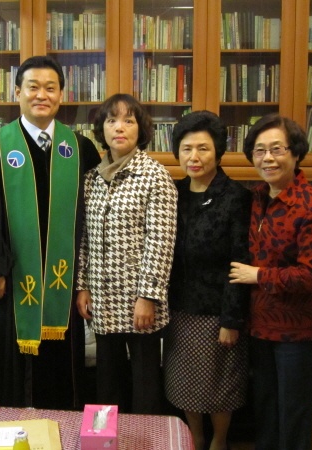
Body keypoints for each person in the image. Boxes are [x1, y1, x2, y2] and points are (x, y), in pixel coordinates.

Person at [0, 55, 101, 410]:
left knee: (62, 369)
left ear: (61, 95)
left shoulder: (79, 148)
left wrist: (85, 278)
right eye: (33, 87)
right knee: (10, 369)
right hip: (10, 282)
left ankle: (62, 428)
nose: (42, 95)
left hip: (63, 283)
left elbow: (93, 217)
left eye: (50, 88)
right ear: (17, 92)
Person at [229, 113, 312, 450]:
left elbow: (311, 275)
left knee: (294, 412)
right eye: (259, 151)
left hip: (297, 331)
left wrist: (258, 275)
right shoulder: (258, 197)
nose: (268, 158)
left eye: (277, 149)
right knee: (265, 407)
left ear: (296, 153)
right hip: (260, 326)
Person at [75, 93, 177, 414]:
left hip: (139, 302)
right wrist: (82, 286)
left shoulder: (155, 176)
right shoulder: (91, 179)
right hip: (102, 299)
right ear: (102, 129)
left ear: (140, 129)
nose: (119, 127)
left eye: (128, 121)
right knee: (107, 381)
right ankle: (106, 437)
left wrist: (148, 296)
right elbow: (84, 238)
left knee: (145, 381)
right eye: (111, 120)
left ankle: (145, 437)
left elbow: (161, 242)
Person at [163, 111, 251, 450]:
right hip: (179, 307)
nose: (194, 157)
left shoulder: (236, 196)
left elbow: (240, 261)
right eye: (186, 149)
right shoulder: (173, 192)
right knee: (185, 382)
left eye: (203, 148)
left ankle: (219, 441)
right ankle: (195, 438)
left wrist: (231, 320)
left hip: (217, 310)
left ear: (217, 151)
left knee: (219, 384)